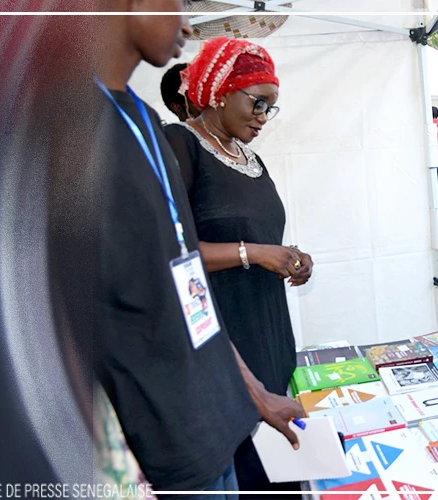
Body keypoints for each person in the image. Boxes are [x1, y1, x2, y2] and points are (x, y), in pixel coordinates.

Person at [90, 4, 300, 499]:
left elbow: (182, 276)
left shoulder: (136, 119)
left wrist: (250, 389)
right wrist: (253, 253)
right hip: (161, 420)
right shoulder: (79, 126)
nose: (187, 25)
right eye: (177, 5)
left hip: (213, 394)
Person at [167, 37, 311, 497]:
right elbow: (170, 250)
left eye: (271, 107)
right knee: (243, 475)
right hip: (223, 344)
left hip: (268, 336)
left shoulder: (251, 159)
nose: (263, 117)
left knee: (276, 476)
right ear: (221, 91)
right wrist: (255, 252)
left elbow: (261, 239)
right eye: (257, 102)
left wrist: (289, 257)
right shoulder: (180, 145)